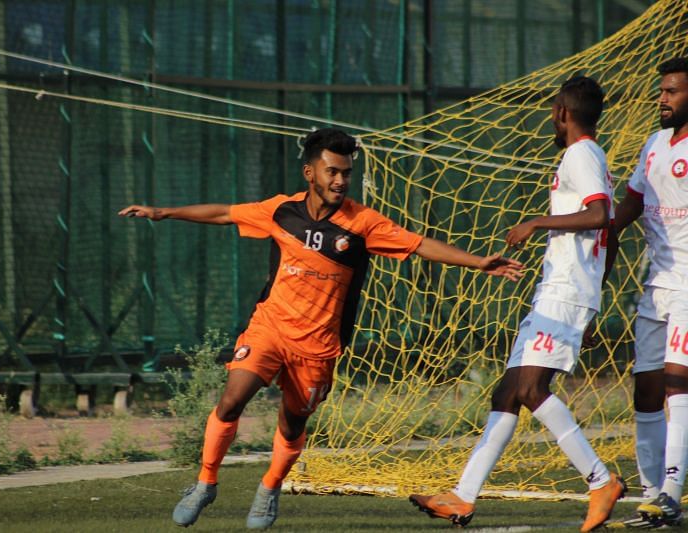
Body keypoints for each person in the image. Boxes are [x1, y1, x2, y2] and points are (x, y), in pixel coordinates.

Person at [119, 128, 523, 529]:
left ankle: (269, 487)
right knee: (231, 400)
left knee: (293, 422)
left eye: (346, 172)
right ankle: (205, 482)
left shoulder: (362, 223)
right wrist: (162, 212)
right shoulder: (281, 211)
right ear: (309, 172)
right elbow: (226, 213)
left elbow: (417, 245)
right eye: (332, 171)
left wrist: (477, 262)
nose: (340, 180)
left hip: (318, 346)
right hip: (270, 328)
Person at [409, 76, 625, 533]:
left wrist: (535, 222)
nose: (551, 116)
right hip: (565, 291)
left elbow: (601, 215)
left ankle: (600, 480)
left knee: (529, 390)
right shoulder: (589, 156)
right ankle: (462, 497)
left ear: (563, 112)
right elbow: (610, 235)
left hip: (564, 292)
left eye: (553, 108)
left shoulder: (580, 154)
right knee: (506, 392)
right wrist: (595, 299)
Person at [606, 57, 688, 528]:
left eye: (673, 91)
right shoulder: (655, 144)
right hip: (656, 285)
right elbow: (632, 203)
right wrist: (606, 230)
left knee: (678, 379)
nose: (663, 98)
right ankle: (652, 491)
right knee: (647, 386)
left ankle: (674, 491)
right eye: (662, 90)